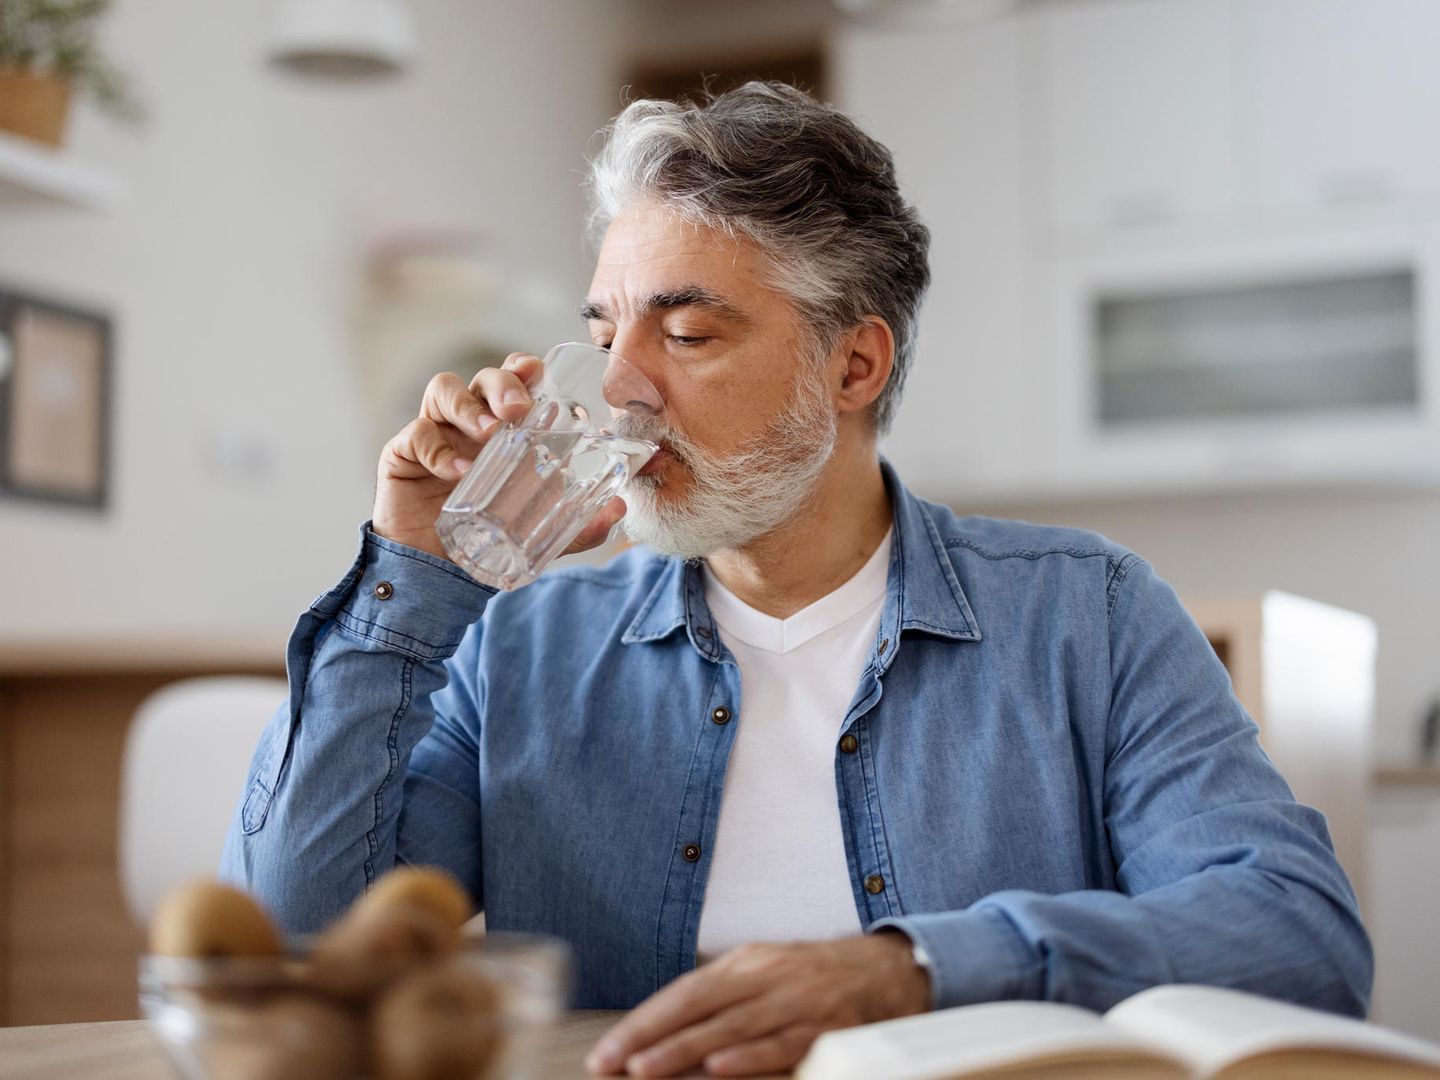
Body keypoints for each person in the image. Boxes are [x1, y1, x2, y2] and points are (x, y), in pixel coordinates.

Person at [220, 81, 1370, 1077]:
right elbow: (293, 952)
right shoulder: (521, 645)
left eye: (687, 334)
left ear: (854, 362)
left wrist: (913, 973)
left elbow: (1298, 938)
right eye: (605, 330)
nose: (618, 387)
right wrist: (412, 573)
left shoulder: (1089, 617)